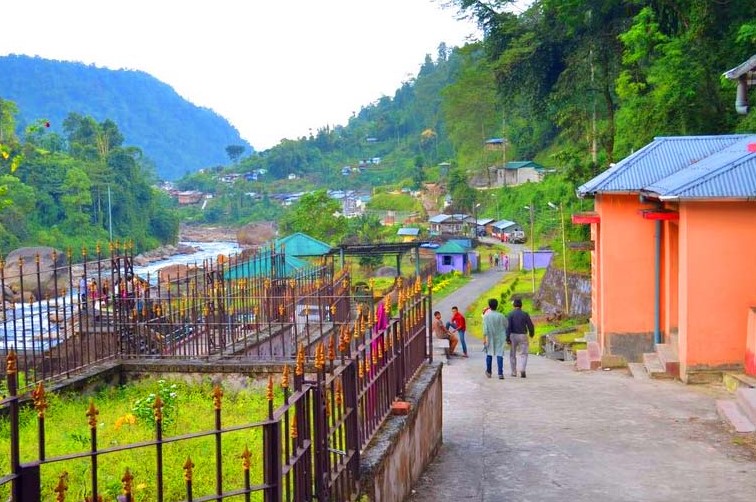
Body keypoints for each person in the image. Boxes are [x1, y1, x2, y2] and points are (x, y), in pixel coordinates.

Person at [508, 297, 535, 378]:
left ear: (514, 306)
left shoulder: (510, 314)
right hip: (523, 335)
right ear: (521, 306)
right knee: (524, 354)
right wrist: (531, 333)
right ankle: (522, 369)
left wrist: (507, 338)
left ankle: (513, 372)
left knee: (512, 354)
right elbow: (530, 325)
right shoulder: (525, 314)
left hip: (513, 335)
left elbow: (508, 327)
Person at [482, 298, 508, 379]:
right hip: (500, 338)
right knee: (500, 354)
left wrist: (484, 339)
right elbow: (506, 325)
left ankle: (489, 372)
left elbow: (485, 330)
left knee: (489, 354)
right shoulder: (501, 316)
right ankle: (500, 373)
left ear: (489, 306)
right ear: (497, 306)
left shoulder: (486, 316)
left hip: (490, 337)